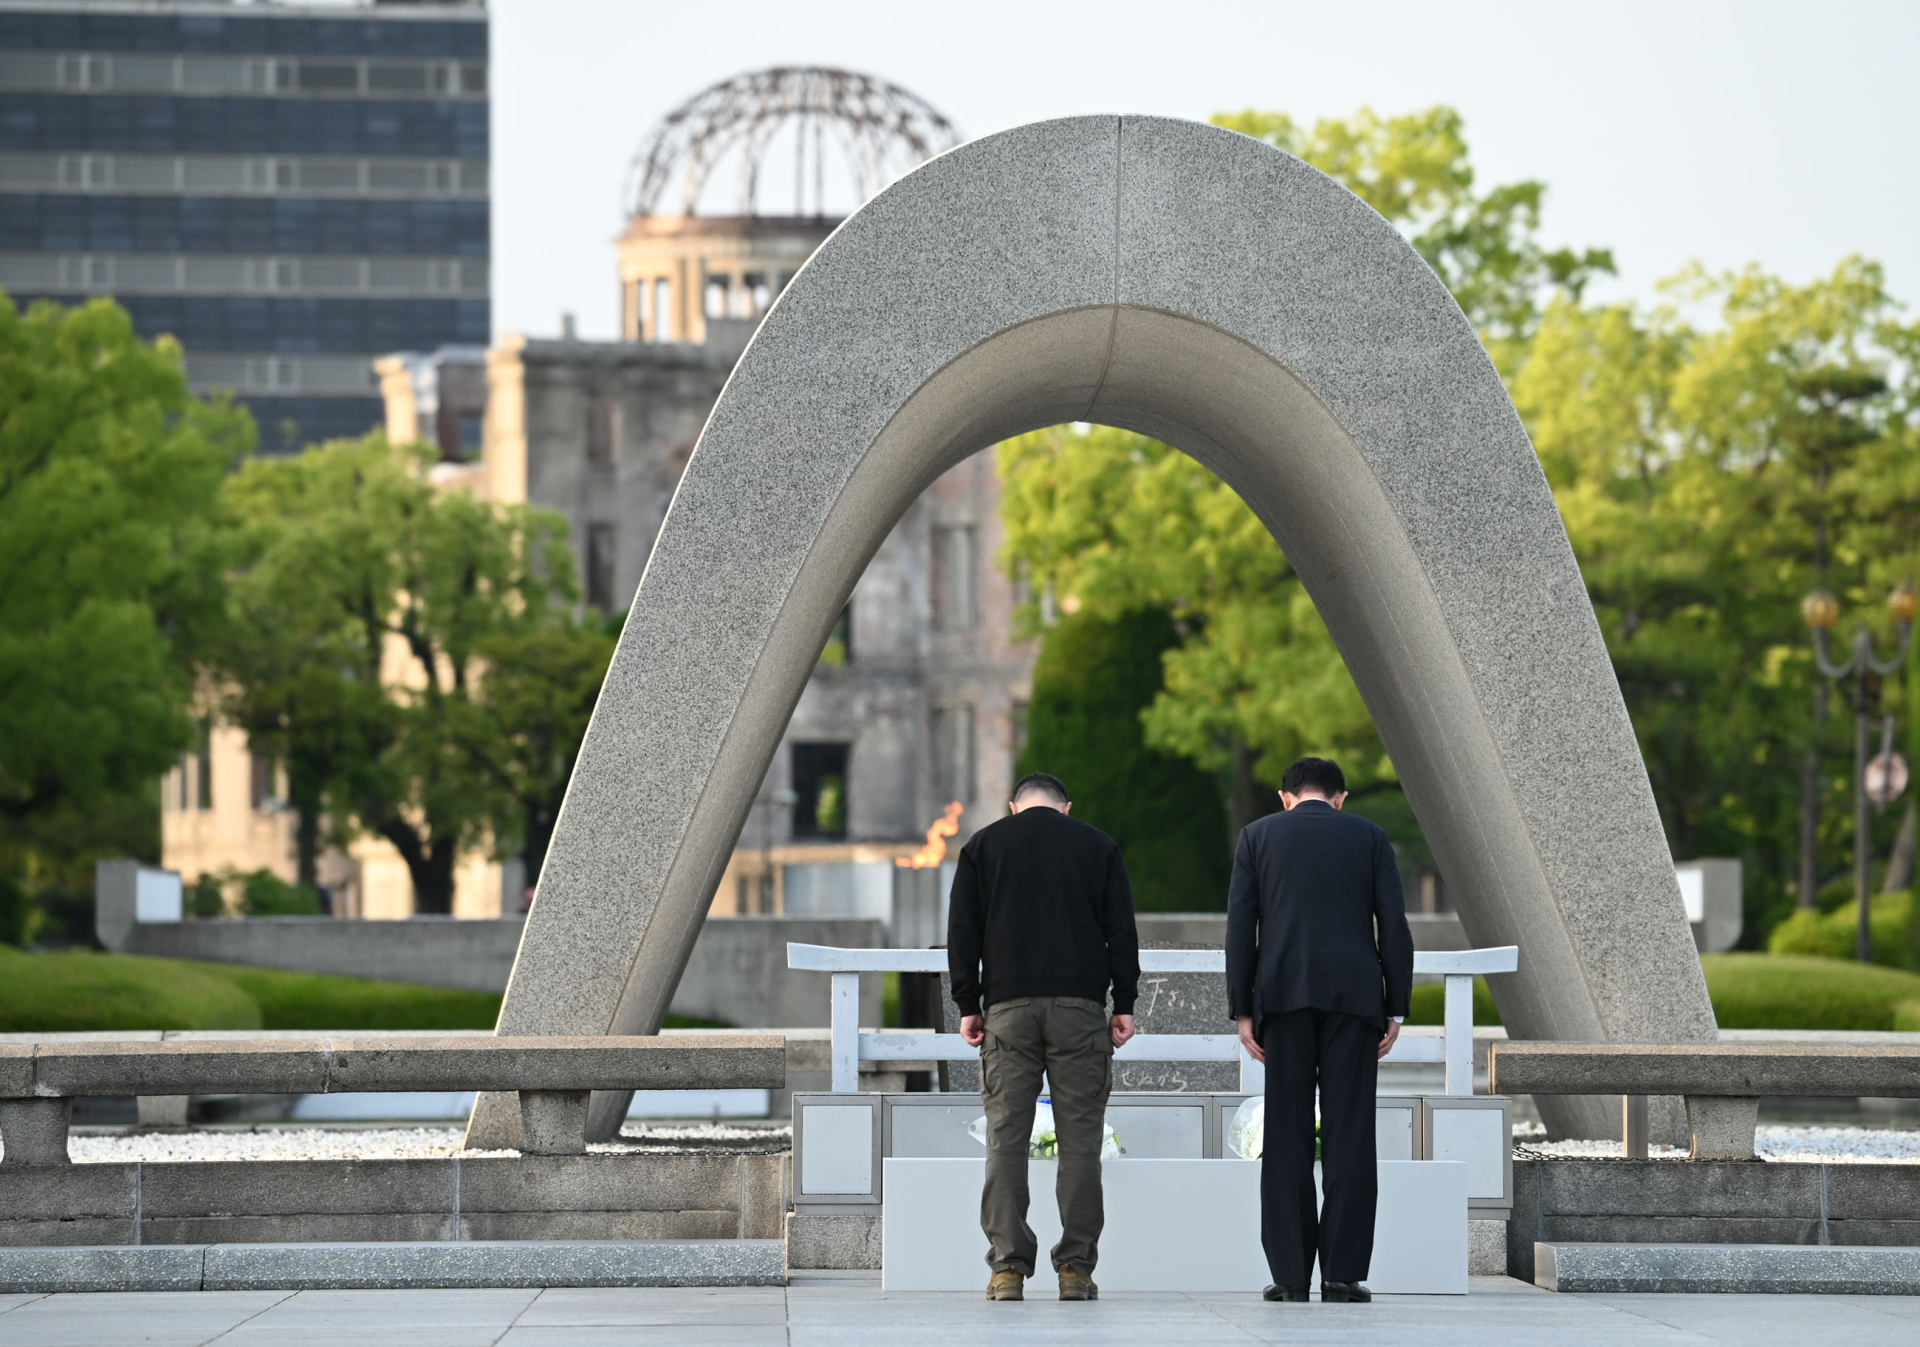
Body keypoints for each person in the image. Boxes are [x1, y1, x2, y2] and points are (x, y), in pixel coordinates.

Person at [1225, 756, 1414, 1304]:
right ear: (1341, 796)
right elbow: (1393, 926)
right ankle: (1342, 1273)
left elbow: (1241, 928)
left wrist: (1243, 1009)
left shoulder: (1257, 836)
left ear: (1286, 797)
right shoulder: (1371, 837)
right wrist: (1394, 1007)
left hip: (1282, 1001)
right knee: (1350, 1133)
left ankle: (1288, 1276)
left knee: (1285, 1135)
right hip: (1354, 1001)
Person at [948, 771, 1140, 1303]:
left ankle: (1007, 1269)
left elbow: (962, 930)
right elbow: (1121, 931)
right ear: (1067, 807)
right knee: (1080, 1140)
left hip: (1006, 1008)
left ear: (1014, 808)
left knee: (1006, 1138)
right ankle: (1075, 1269)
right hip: (1080, 1009)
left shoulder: (983, 846)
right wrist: (1122, 1003)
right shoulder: (1097, 846)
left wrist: (968, 1004)